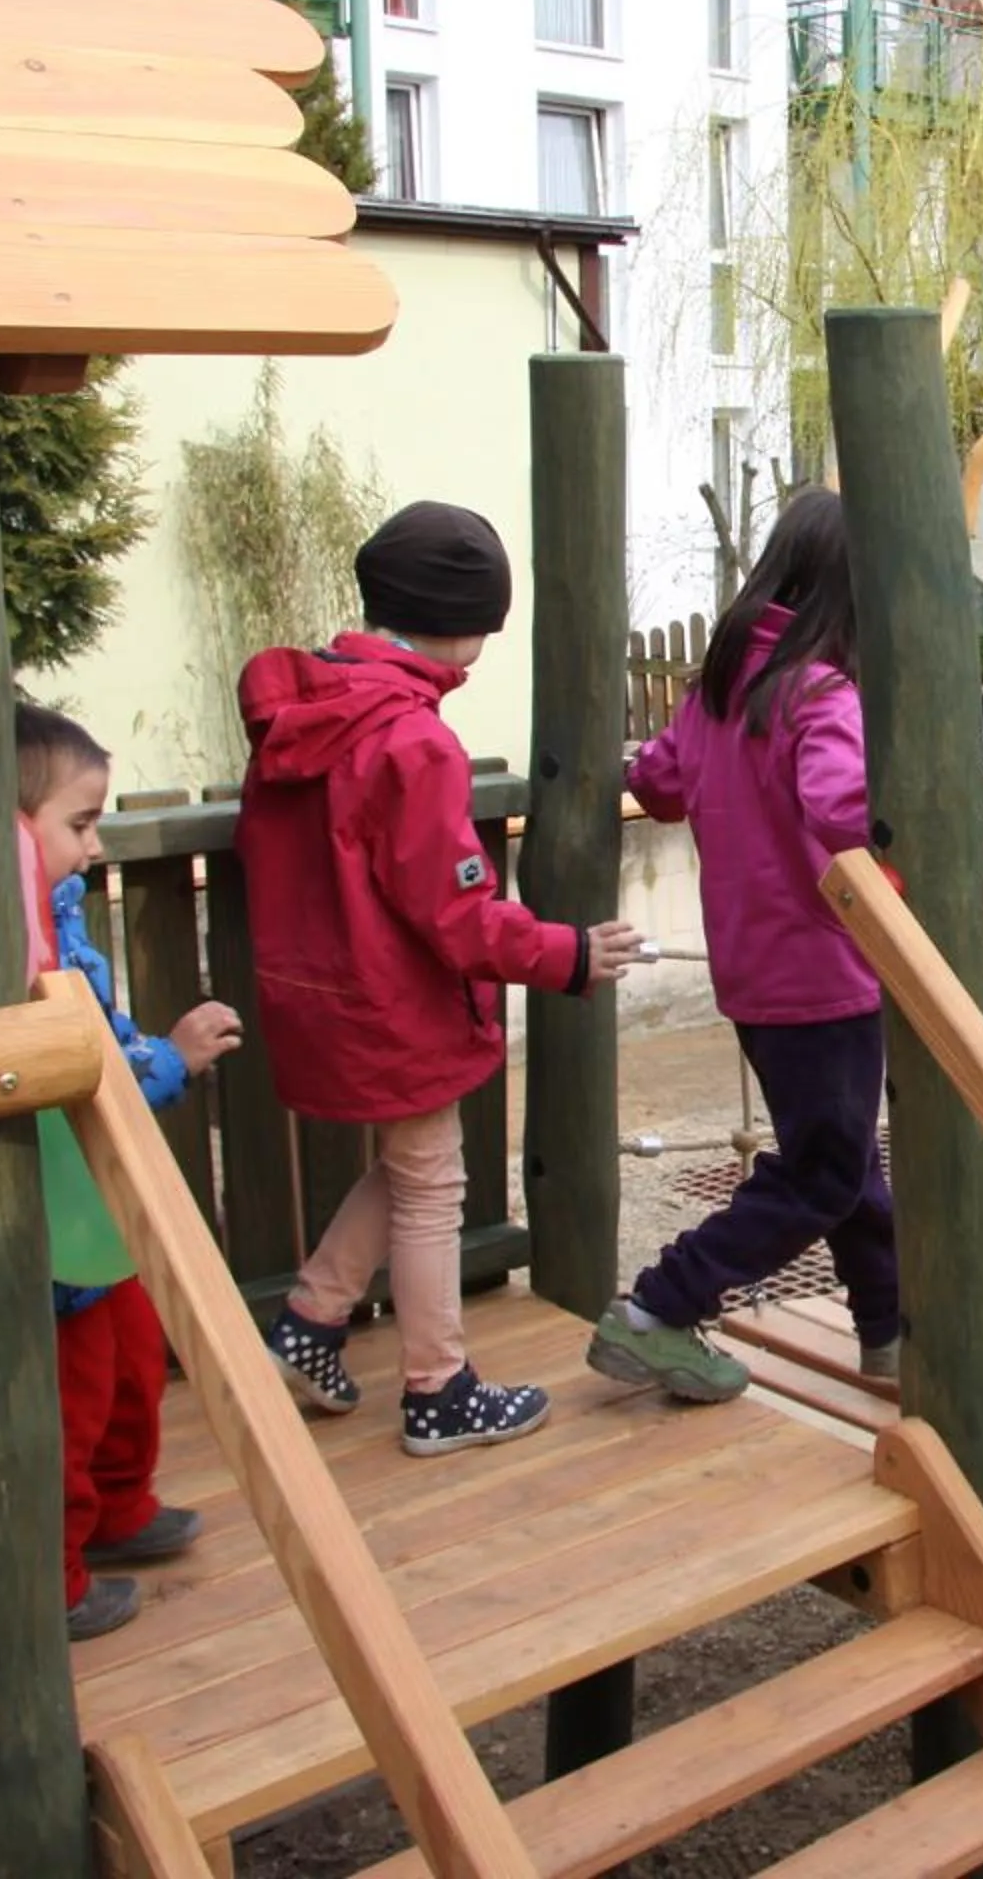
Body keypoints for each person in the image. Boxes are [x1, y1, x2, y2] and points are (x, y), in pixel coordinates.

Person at [592, 489, 983, 1401]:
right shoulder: (821, 690)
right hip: (825, 971)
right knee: (824, 1169)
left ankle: (885, 1328)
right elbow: (851, 810)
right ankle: (657, 1306)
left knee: (842, 1158)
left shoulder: (722, 687)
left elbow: (658, 783)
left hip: (754, 971)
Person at [241, 502, 644, 1454]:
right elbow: (454, 913)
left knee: (412, 1167)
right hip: (395, 1004)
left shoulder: (305, 712)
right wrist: (570, 953)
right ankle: (438, 1388)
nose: (480, 653)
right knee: (432, 1187)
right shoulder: (412, 742)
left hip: (320, 995)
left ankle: (310, 1320)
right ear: (454, 616)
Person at [16, 704, 244, 1641]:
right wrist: (172, 1059)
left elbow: (97, 1042)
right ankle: (55, 1577)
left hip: (95, 1197)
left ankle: (118, 1511)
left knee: (133, 1365)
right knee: (70, 1399)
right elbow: (80, 1058)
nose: (94, 844)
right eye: (77, 823)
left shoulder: (55, 913)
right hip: (55, 1204)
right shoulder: (6, 927)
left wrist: (148, 1055)